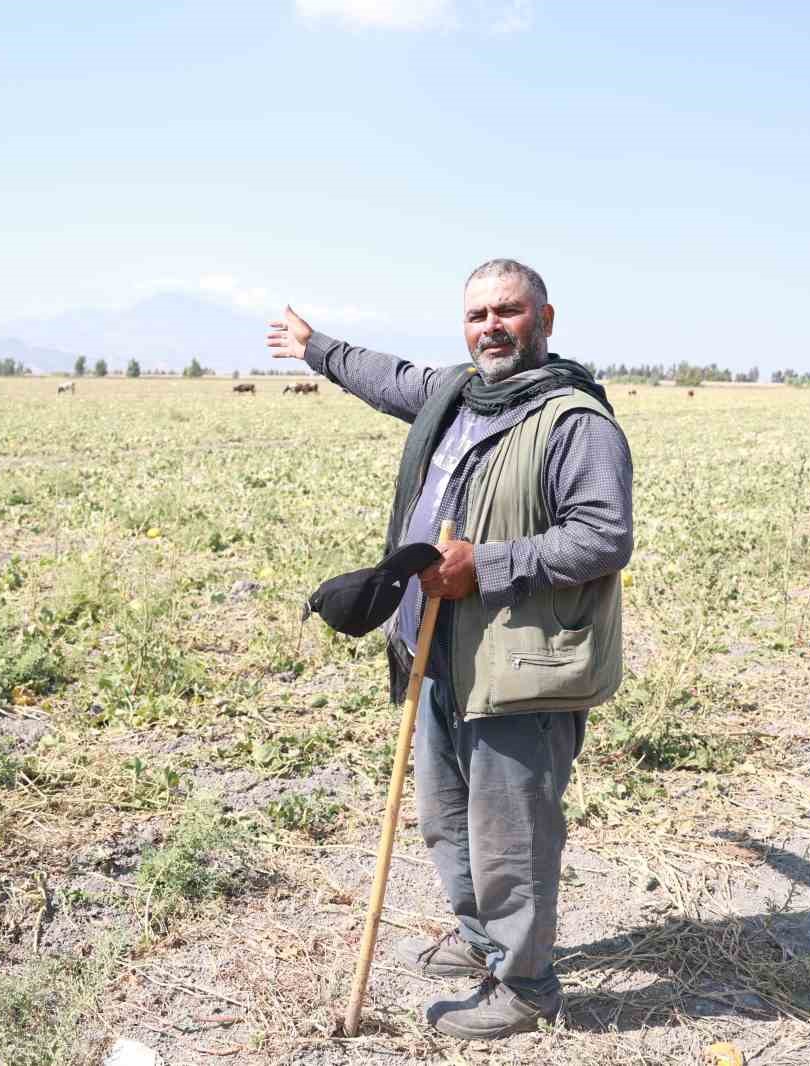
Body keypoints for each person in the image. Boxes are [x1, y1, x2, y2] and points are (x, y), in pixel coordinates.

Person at [266, 259, 633, 1040]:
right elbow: (385, 373)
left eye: (507, 311)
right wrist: (315, 346)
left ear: (545, 319)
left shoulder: (575, 422)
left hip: (519, 666)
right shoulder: (452, 396)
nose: (490, 327)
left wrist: (488, 565)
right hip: (433, 651)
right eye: (477, 315)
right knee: (448, 819)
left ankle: (527, 986)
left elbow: (604, 535)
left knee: (513, 835)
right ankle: (482, 946)